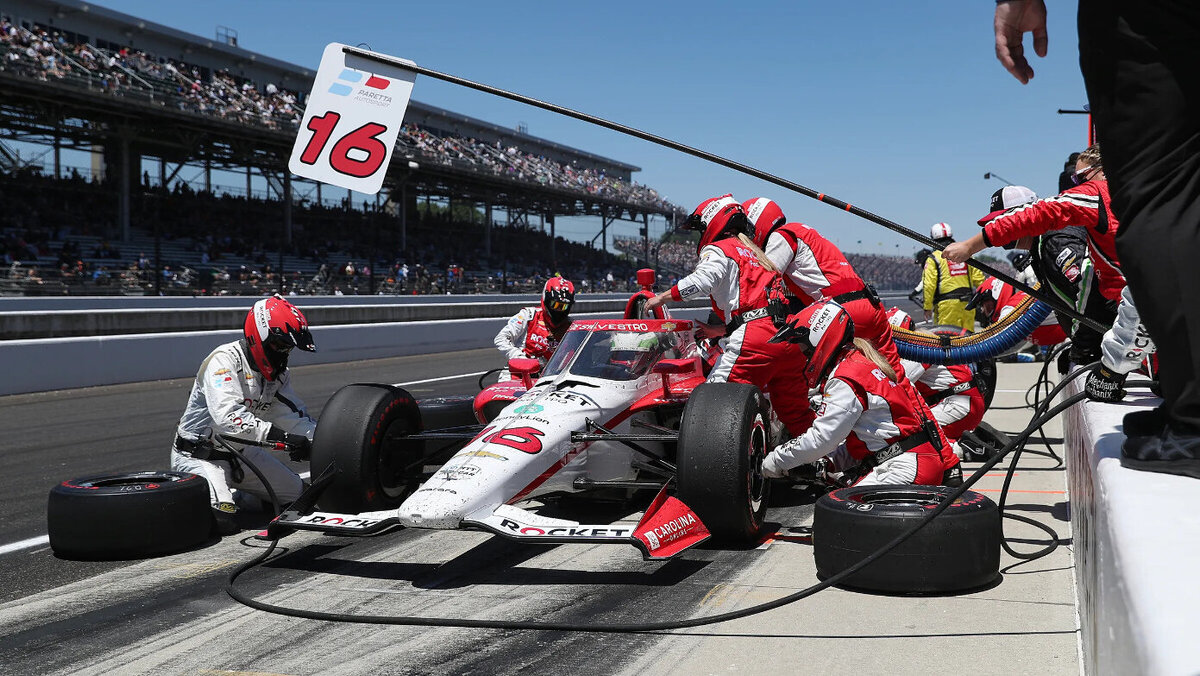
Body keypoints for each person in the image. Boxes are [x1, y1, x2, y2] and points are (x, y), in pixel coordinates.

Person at [993, 0, 1200, 477]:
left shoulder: (1079, 211)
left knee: (1161, 196)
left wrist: (1108, 364)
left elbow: (1111, 284)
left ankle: (1193, 419)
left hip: (1144, 19)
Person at [643, 195, 812, 435]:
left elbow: (701, 282)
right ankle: (821, 457)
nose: (700, 235)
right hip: (788, 338)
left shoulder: (720, 249)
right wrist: (721, 330)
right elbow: (761, 310)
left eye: (700, 229)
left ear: (712, 222)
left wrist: (661, 298)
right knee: (797, 415)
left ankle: (710, 457)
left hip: (757, 341)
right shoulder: (755, 252)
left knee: (711, 405)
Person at [944, 145, 1120, 366]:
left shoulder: (1054, 241)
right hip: (1114, 338)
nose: (1003, 231)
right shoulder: (1040, 249)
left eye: (1002, 221)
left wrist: (1084, 347)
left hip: (1122, 338)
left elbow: (1090, 286)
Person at [761, 300, 961, 486]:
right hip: (914, 462)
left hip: (904, 467)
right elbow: (867, 439)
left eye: (805, 349)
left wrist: (775, 460)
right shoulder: (858, 362)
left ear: (820, 340)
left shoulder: (845, 376)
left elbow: (822, 438)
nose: (804, 357)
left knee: (833, 510)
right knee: (835, 502)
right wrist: (826, 464)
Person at [170, 294, 317, 533]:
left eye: (288, 347)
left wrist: (322, 441)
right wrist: (284, 439)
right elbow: (228, 418)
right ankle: (228, 497)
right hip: (199, 456)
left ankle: (249, 497)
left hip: (242, 454)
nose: (284, 353)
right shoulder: (223, 361)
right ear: (258, 336)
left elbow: (292, 417)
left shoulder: (279, 374)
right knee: (222, 520)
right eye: (280, 345)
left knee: (304, 499)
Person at [743, 196, 904, 378]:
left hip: (843, 310)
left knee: (823, 371)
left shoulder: (781, 236)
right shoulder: (804, 232)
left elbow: (765, 281)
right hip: (871, 305)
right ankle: (908, 398)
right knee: (895, 373)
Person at [888, 308, 986, 458]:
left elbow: (896, 383)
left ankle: (965, 448)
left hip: (960, 405)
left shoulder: (918, 347)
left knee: (910, 434)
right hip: (964, 402)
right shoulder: (925, 339)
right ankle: (981, 438)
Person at [494, 276, 576, 368]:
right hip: (522, 370)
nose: (559, 310)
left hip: (553, 374)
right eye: (555, 305)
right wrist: (519, 357)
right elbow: (501, 339)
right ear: (546, 299)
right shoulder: (529, 315)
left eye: (564, 306)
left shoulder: (572, 326)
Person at [965, 277, 1068, 348]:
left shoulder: (1012, 308)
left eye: (987, 306)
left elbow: (991, 344)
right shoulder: (1021, 301)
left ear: (996, 294)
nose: (984, 312)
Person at [923, 223, 985, 332]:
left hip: (946, 306)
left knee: (946, 337)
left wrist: (927, 307)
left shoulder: (934, 258)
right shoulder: (965, 254)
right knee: (968, 338)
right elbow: (979, 279)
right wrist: (985, 300)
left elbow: (929, 285)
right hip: (968, 304)